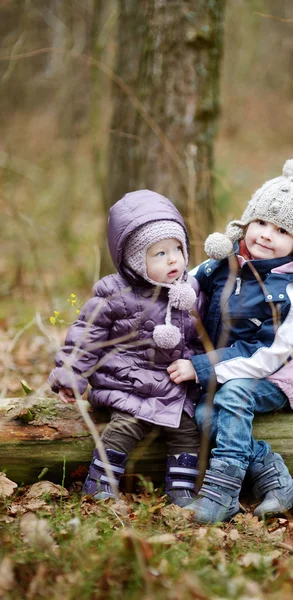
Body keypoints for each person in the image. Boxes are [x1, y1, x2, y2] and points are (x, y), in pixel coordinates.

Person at [167, 159, 293, 523]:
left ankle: (222, 492)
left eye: (281, 230)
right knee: (207, 413)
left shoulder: (292, 295)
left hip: (275, 376)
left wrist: (203, 367)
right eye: (260, 222)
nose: (266, 235)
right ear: (246, 223)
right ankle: (275, 476)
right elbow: (189, 283)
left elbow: (268, 357)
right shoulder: (225, 263)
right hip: (228, 369)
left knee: (233, 393)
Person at [48, 190, 206, 506]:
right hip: (129, 382)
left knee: (188, 430)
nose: (173, 258)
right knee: (125, 426)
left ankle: (181, 488)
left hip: (174, 385)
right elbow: (86, 336)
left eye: (177, 248)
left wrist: (200, 368)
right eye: (159, 254)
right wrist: (70, 374)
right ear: (136, 261)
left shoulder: (189, 292)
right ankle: (99, 482)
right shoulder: (115, 295)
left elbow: (200, 338)